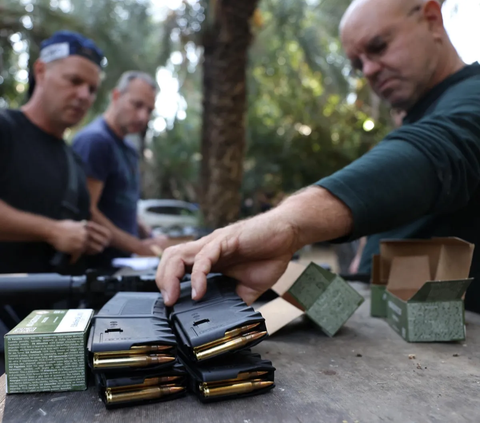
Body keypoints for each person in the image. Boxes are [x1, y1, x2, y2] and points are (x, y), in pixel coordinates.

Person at [155, 0, 480, 314]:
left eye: (378, 46)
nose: (368, 70)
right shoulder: (421, 115)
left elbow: (436, 151)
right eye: (357, 64)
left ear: (432, 19)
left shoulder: (470, 98)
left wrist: (286, 223)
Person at [0, 30, 111, 275]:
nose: (84, 95)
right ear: (40, 71)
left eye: (92, 89)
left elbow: (67, 231)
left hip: (57, 309)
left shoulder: (74, 161)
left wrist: (86, 239)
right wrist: (52, 230)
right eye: (74, 81)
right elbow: (57, 230)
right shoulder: (6, 129)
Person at [72, 71, 166, 268]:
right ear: (116, 96)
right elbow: (87, 211)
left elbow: (126, 206)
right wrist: (139, 247)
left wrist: (151, 236)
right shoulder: (96, 141)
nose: (143, 116)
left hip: (126, 264)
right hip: (97, 269)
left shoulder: (129, 149)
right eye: (137, 105)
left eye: (149, 110)